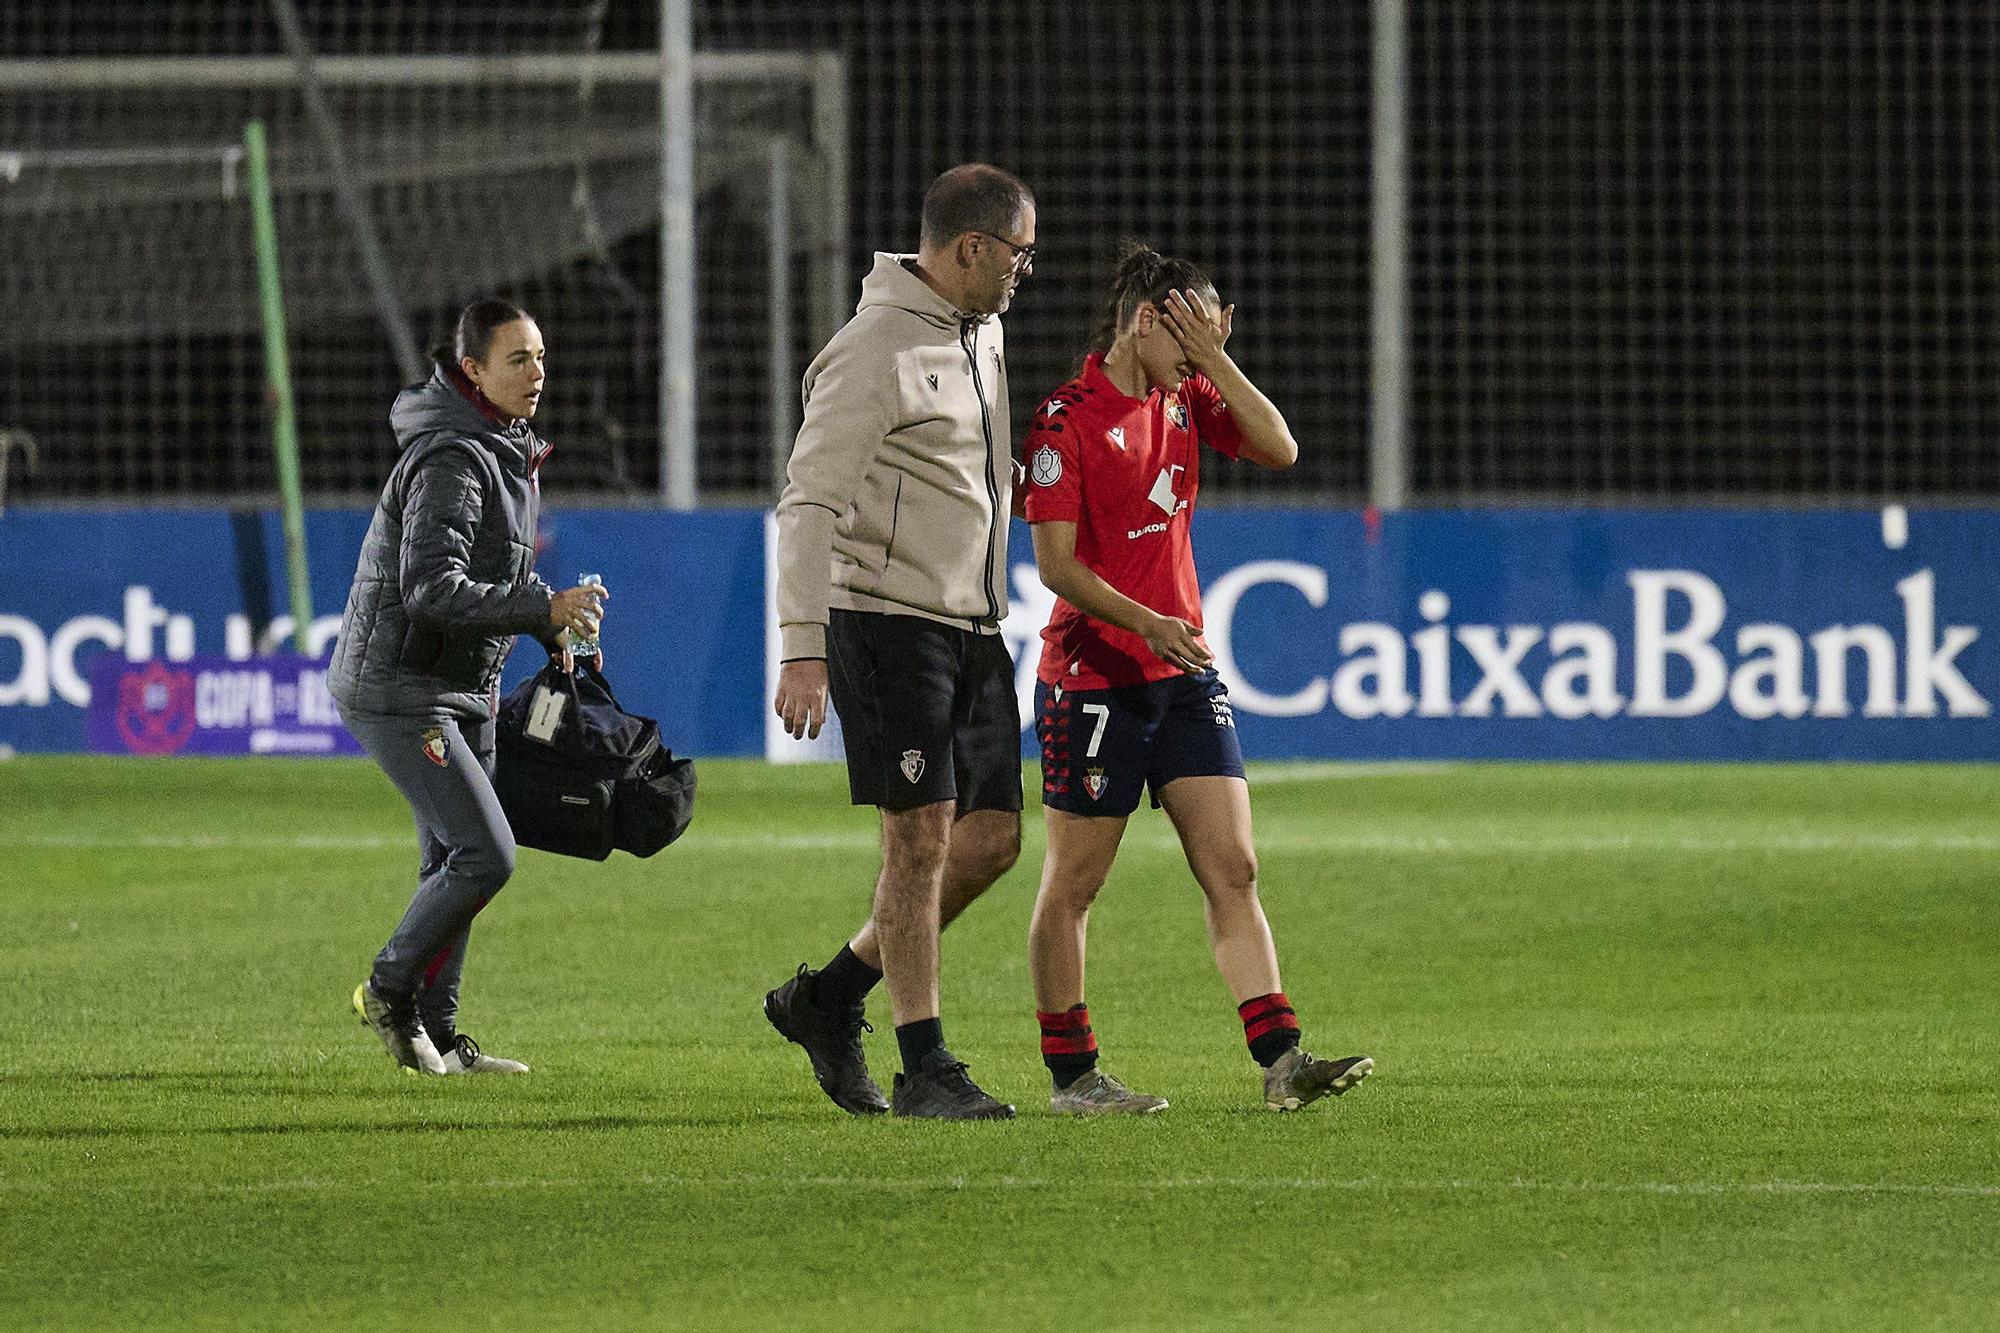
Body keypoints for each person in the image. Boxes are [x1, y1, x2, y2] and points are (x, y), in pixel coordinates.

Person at [1019, 243, 1375, 1114]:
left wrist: (1213, 356)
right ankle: (1074, 1077)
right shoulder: (1065, 421)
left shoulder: (1187, 395)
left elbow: (1280, 445)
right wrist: (1147, 622)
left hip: (1180, 675)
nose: (1194, 365)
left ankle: (1282, 1060)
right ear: (1147, 322)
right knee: (1074, 885)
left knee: (1235, 868)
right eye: (1187, 344)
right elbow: (1057, 568)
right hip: (1094, 678)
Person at [763, 164, 1036, 1120]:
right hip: (885, 622)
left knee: (992, 841)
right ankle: (926, 1064)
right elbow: (808, 503)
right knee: (917, 837)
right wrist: (802, 643)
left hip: (972, 624)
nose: (1022, 272)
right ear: (972, 248)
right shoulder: (872, 348)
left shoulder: (983, 333)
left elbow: (970, 468)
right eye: (1019, 254)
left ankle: (828, 996)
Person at [328, 298, 607, 1076]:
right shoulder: (453, 455)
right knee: (487, 855)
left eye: (542, 357)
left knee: (451, 860)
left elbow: (496, 574)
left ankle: (440, 1040)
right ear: (472, 369)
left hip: (460, 684)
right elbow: (429, 588)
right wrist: (535, 606)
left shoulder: (505, 446)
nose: (537, 373)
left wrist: (550, 625)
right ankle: (389, 991)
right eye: (518, 359)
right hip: (400, 684)